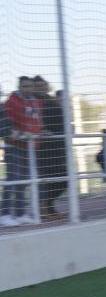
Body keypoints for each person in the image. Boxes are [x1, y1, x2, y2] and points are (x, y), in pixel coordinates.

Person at [1, 76, 43, 227]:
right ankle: (5, 214)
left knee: (23, 182)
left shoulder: (35, 101)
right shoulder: (11, 102)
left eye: (30, 86)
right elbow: (7, 123)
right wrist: (18, 133)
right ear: (19, 86)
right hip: (15, 146)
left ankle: (20, 213)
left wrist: (40, 132)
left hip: (30, 147)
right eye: (25, 86)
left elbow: (36, 121)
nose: (28, 89)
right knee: (12, 180)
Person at [34, 79, 68, 220]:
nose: (41, 88)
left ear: (47, 86)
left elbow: (61, 121)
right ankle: (45, 211)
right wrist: (42, 130)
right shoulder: (35, 103)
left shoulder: (51, 100)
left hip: (58, 148)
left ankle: (48, 209)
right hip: (44, 150)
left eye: (43, 85)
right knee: (48, 181)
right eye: (38, 86)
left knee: (63, 179)